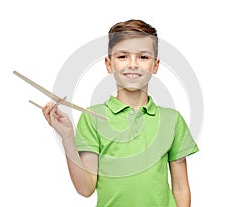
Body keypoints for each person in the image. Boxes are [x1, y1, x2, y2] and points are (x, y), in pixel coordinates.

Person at [42, 19, 199, 207]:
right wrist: (67, 138)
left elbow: (181, 187)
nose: (133, 64)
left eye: (143, 57)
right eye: (123, 56)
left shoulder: (172, 120)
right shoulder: (92, 117)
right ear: (109, 64)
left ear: (155, 66)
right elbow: (85, 189)